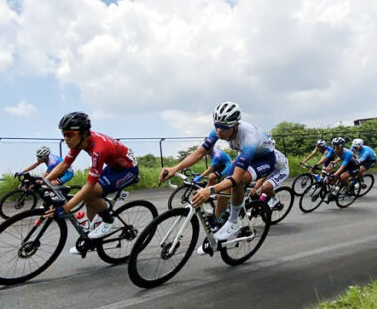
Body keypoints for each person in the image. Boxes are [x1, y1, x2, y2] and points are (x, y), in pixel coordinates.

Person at [159, 101, 289, 243]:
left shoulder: (249, 138)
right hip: (246, 155)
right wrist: (174, 168)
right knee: (224, 187)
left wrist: (209, 190)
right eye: (216, 126)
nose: (219, 130)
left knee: (236, 183)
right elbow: (199, 152)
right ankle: (218, 223)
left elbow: (236, 179)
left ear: (235, 125)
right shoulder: (219, 129)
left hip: (264, 159)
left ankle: (234, 221)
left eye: (223, 127)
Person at [43, 112, 139, 241]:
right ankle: (90, 235)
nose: (66, 139)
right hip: (114, 167)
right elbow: (65, 164)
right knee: (88, 196)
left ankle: (108, 221)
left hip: (128, 170)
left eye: (69, 135)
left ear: (83, 133)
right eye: (64, 134)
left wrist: (65, 208)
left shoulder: (99, 149)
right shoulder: (81, 141)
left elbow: (89, 186)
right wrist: (43, 181)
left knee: (90, 192)